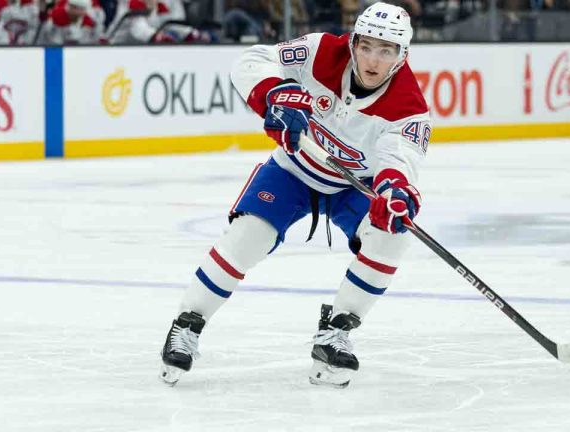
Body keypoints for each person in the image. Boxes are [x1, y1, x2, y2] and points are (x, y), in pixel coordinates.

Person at [159, 1, 430, 389]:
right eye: (366, 46)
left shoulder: (409, 109)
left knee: (391, 234)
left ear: (401, 57)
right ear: (353, 42)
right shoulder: (321, 50)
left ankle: (336, 331)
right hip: (293, 170)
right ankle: (187, 323)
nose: (372, 60)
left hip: (353, 185)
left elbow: (401, 159)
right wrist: (277, 95)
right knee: (249, 237)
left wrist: (395, 190)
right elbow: (251, 62)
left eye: (386, 51)